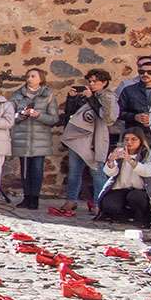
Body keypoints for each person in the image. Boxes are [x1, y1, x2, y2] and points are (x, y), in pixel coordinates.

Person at [60, 69, 117, 215]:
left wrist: (91, 98)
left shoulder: (108, 97)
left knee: (97, 173)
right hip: (78, 139)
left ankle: (100, 203)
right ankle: (71, 200)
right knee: (74, 172)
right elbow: (71, 116)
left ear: (104, 82)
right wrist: (72, 99)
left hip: (95, 139)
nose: (91, 84)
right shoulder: (85, 95)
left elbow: (108, 117)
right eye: (90, 81)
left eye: (95, 81)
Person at [9, 68, 59, 209]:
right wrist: (21, 115)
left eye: (33, 76)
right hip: (22, 138)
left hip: (40, 139)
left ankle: (35, 199)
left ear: (40, 79)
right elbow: (9, 116)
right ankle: (26, 197)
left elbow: (54, 118)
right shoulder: (18, 95)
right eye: (28, 76)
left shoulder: (48, 95)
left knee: (37, 170)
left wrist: (39, 115)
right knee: (25, 171)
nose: (29, 78)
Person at [96, 130, 151, 226]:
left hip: (140, 191)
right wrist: (111, 161)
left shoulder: (147, 154)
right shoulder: (119, 153)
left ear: (140, 141)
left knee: (135, 197)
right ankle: (126, 216)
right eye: (126, 139)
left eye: (133, 139)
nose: (129, 142)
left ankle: (140, 217)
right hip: (121, 188)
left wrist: (130, 160)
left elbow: (147, 171)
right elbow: (110, 173)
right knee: (109, 205)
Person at [116, 56, 151, 134]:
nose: (145, 74)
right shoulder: (128, 90)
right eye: (141, 72)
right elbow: (118, 112)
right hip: (135, 134)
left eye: (150, 72)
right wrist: (134, 117)